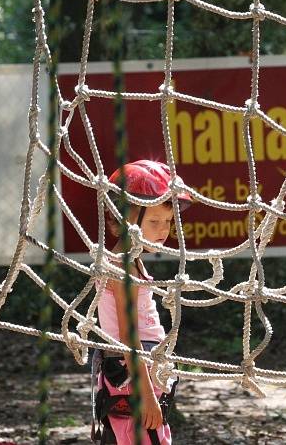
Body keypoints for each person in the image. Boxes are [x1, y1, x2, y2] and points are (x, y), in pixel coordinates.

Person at [92, 159, 192, 445]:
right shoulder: (121, 268)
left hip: (140, 372)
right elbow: (128, 337)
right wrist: (147, 396)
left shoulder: (129, 261)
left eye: (169, 222)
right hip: (133, 377)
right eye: (154, 222)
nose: (164, 230)